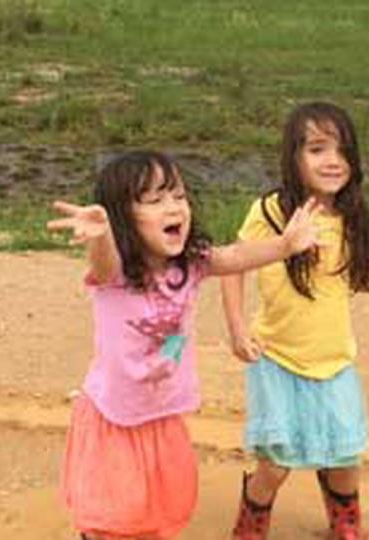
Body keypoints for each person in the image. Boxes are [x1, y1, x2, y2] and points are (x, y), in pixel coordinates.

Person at [47, 150, 323, 540]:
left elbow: (236, 255)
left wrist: (286, 245)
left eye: (178, 196)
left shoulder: (191, 263)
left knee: (158, 507)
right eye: (155, 200)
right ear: (124, 218)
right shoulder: (116, 275)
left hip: (162, 412)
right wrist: (102, 234)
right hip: (115, 416)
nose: (173, 207)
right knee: (115, 512)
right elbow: (104, 263)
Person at [222, 102, 369, 540]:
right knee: (276, 463)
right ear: (293, 156)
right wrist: (237, 329)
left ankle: (345, 526)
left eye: (343, 151)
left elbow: (359, 278)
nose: (333, 161)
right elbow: (233, 265)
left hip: (334, 362)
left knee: (346, 457)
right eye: (317, 149)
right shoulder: (270, 211)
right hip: (278, 358)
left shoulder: (350, 216)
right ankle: (249, 525)